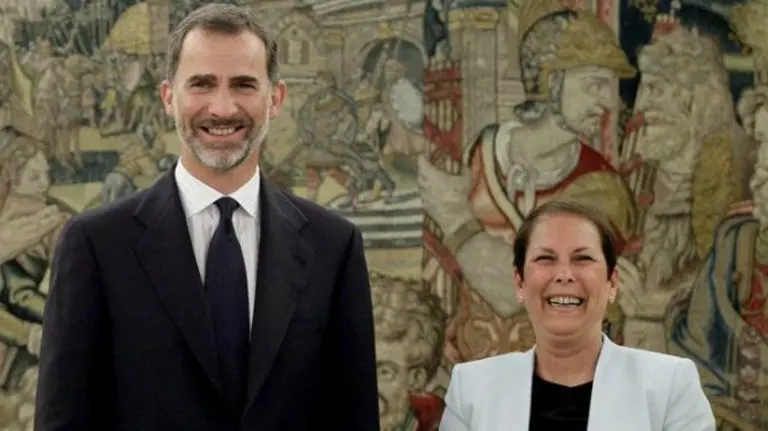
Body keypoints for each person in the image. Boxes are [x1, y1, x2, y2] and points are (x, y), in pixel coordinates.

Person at [34, 4, 379, 430]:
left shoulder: (334, 245)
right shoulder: (96, 245)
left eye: (243, 85)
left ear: (276, 99)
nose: (222, 107)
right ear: (168, 97)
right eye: (201, 84)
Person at [439, 200, 715, 431]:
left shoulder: (671, 386)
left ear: (612, 283)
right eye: (545, 259)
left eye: (582, 259)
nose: (564, 275)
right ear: (520, 283)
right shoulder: (471, 389)